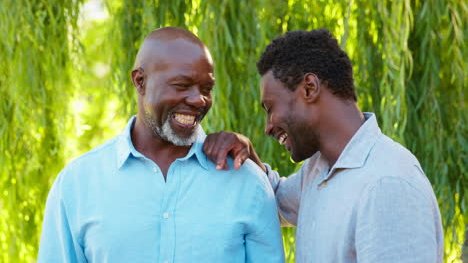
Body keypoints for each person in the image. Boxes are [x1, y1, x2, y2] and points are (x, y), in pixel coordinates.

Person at [38, 27, 284, 263]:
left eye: (206, 89)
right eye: (181, 86)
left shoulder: (247, 183)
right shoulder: (77, 184)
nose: (198, 99)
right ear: (140, 81)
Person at [203, 29, 444, 262]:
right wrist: (246, 152)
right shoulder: (318, 170)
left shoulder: (387, 184)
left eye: (270, 108)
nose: (267, 127)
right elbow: (269, 200)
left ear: (309, 88)